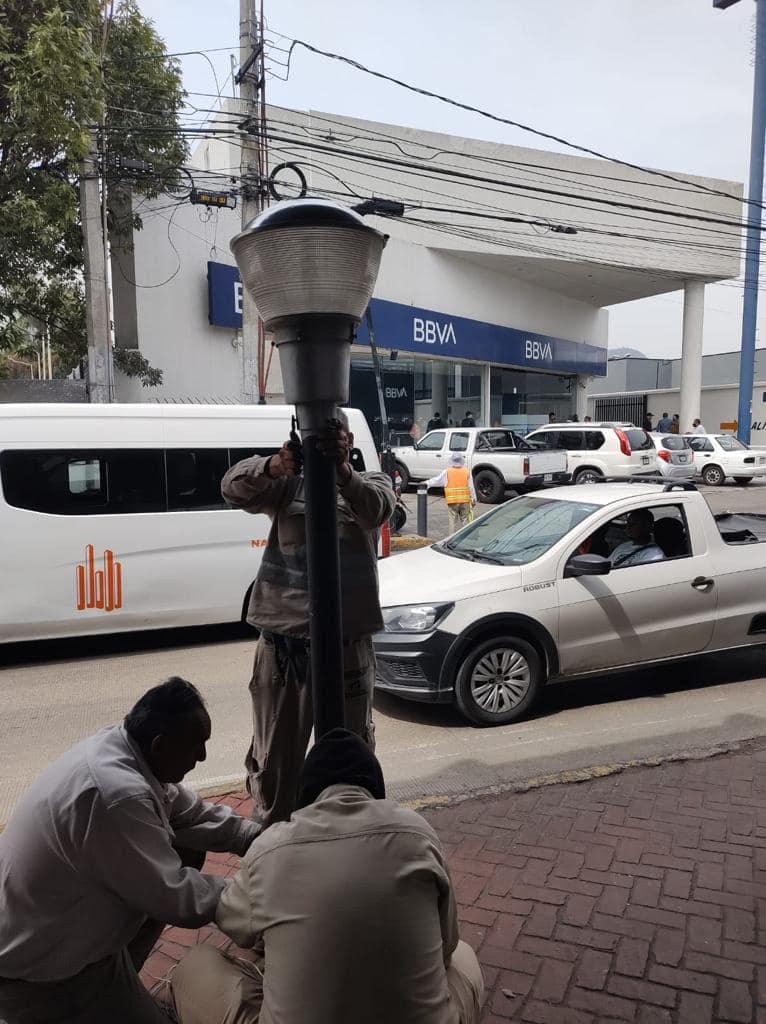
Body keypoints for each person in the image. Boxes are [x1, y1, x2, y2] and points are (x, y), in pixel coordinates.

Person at [170, 729, 484, 1024]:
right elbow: (447, 945)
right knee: (465, 956)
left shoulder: (270, 849)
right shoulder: (418, 833)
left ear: (306, 795)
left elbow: (235, 925)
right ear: (375, 789)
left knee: (195, 965)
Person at [0, 678, 259, 1024]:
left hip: (63, 926)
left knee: (184, 848)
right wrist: (256, 892)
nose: (203, 756)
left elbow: (192, 812)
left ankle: (117, 982)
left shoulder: (128, 751)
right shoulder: (116, 796)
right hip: (41, 968)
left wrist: (257, 838)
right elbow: (174, 896)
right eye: (196, 746)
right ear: (159, 744)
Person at [221, 414, 395, 827]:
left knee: (352, 764)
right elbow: (231, 488)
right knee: (276, 768)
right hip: (285, 651)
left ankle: (348, 850)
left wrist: (342, 474)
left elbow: (378, 510)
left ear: (349, 440)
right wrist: (276, 464)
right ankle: (274, 853)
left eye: (335, 437)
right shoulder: (285, 486)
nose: (326, 444)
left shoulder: (370, 484)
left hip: (347, 648)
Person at [425, 452, 477, 533]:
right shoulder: (467, 471)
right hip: (465, 501)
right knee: (465, 521)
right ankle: (467, 539)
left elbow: (436, 480)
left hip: (452, 502)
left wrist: (426, 483)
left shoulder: (447, 472)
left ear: (452, 461)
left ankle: (451, 539)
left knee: (452, 522)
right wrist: (474, 499)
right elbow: (471, 487)